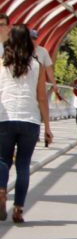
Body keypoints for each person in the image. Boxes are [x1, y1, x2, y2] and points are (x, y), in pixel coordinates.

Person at [0, 24, 53, 222]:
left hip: (4, 118)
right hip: (29, 120)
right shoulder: (36, 65)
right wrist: (47, 126)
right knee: (23, 165)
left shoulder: (1, 63)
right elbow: (41, 98)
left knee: (2, 160)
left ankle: (2, 190)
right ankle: (19, 208)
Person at [29, 29, 61, 101]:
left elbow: (49, 70)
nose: (33, 41)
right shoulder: (21, 51)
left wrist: (54, 84)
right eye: (31, 38)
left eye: (35, 38)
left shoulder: (43, 51)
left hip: (39, 84)